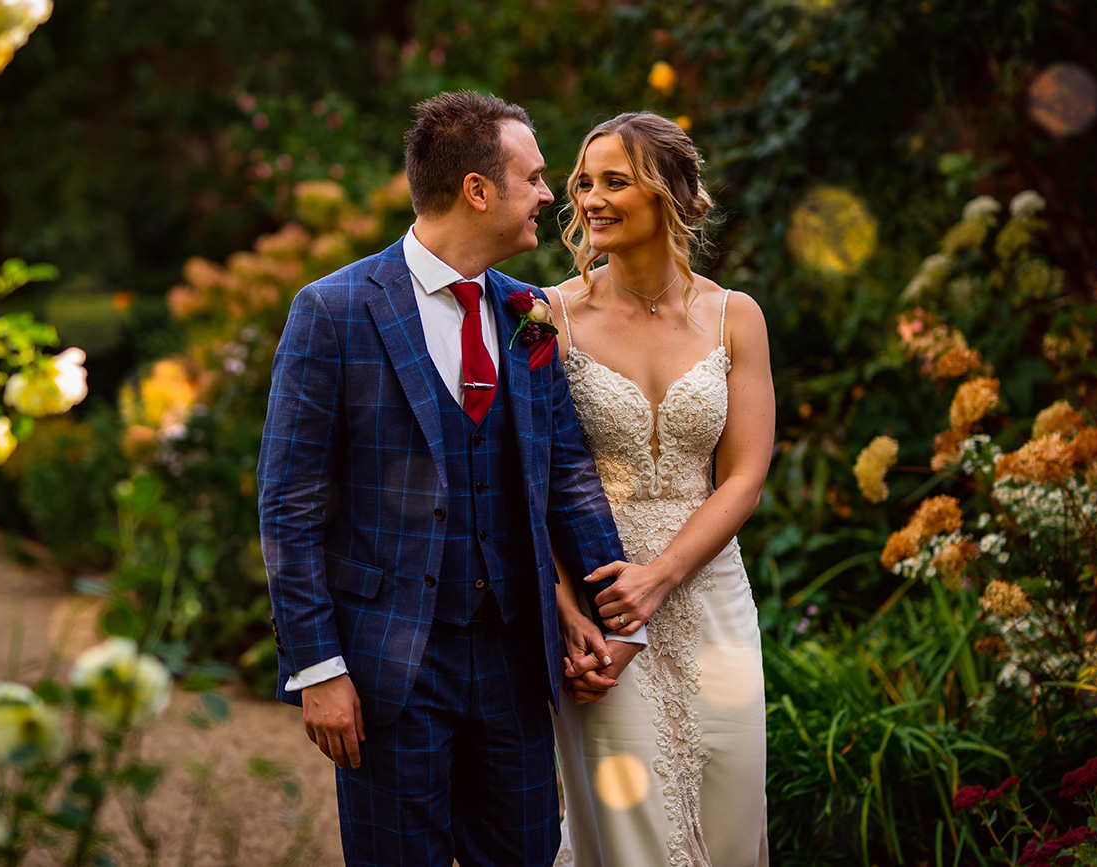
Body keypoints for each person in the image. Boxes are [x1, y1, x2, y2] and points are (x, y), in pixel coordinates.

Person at [256, 91, 649, 867]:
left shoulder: (530, 312)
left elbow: (565, 472)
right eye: (534, 178)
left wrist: (617, 616)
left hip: (514, 656)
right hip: (387, 669)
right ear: (477, 189)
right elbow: (290, 504)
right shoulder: (333, 311)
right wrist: (319, 667)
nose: (549, 194)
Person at [546, 112, 775, 866]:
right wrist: (566, 609)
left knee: (733, 814)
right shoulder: (547, 317)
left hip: (711, 597)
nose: (590, 199)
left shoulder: (734, 317)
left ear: (669, 195)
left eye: (616, 181)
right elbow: (525, 477)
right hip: (602, 603)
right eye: (585, 182)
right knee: (630, 827)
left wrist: (663, 575)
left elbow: (743, 475)